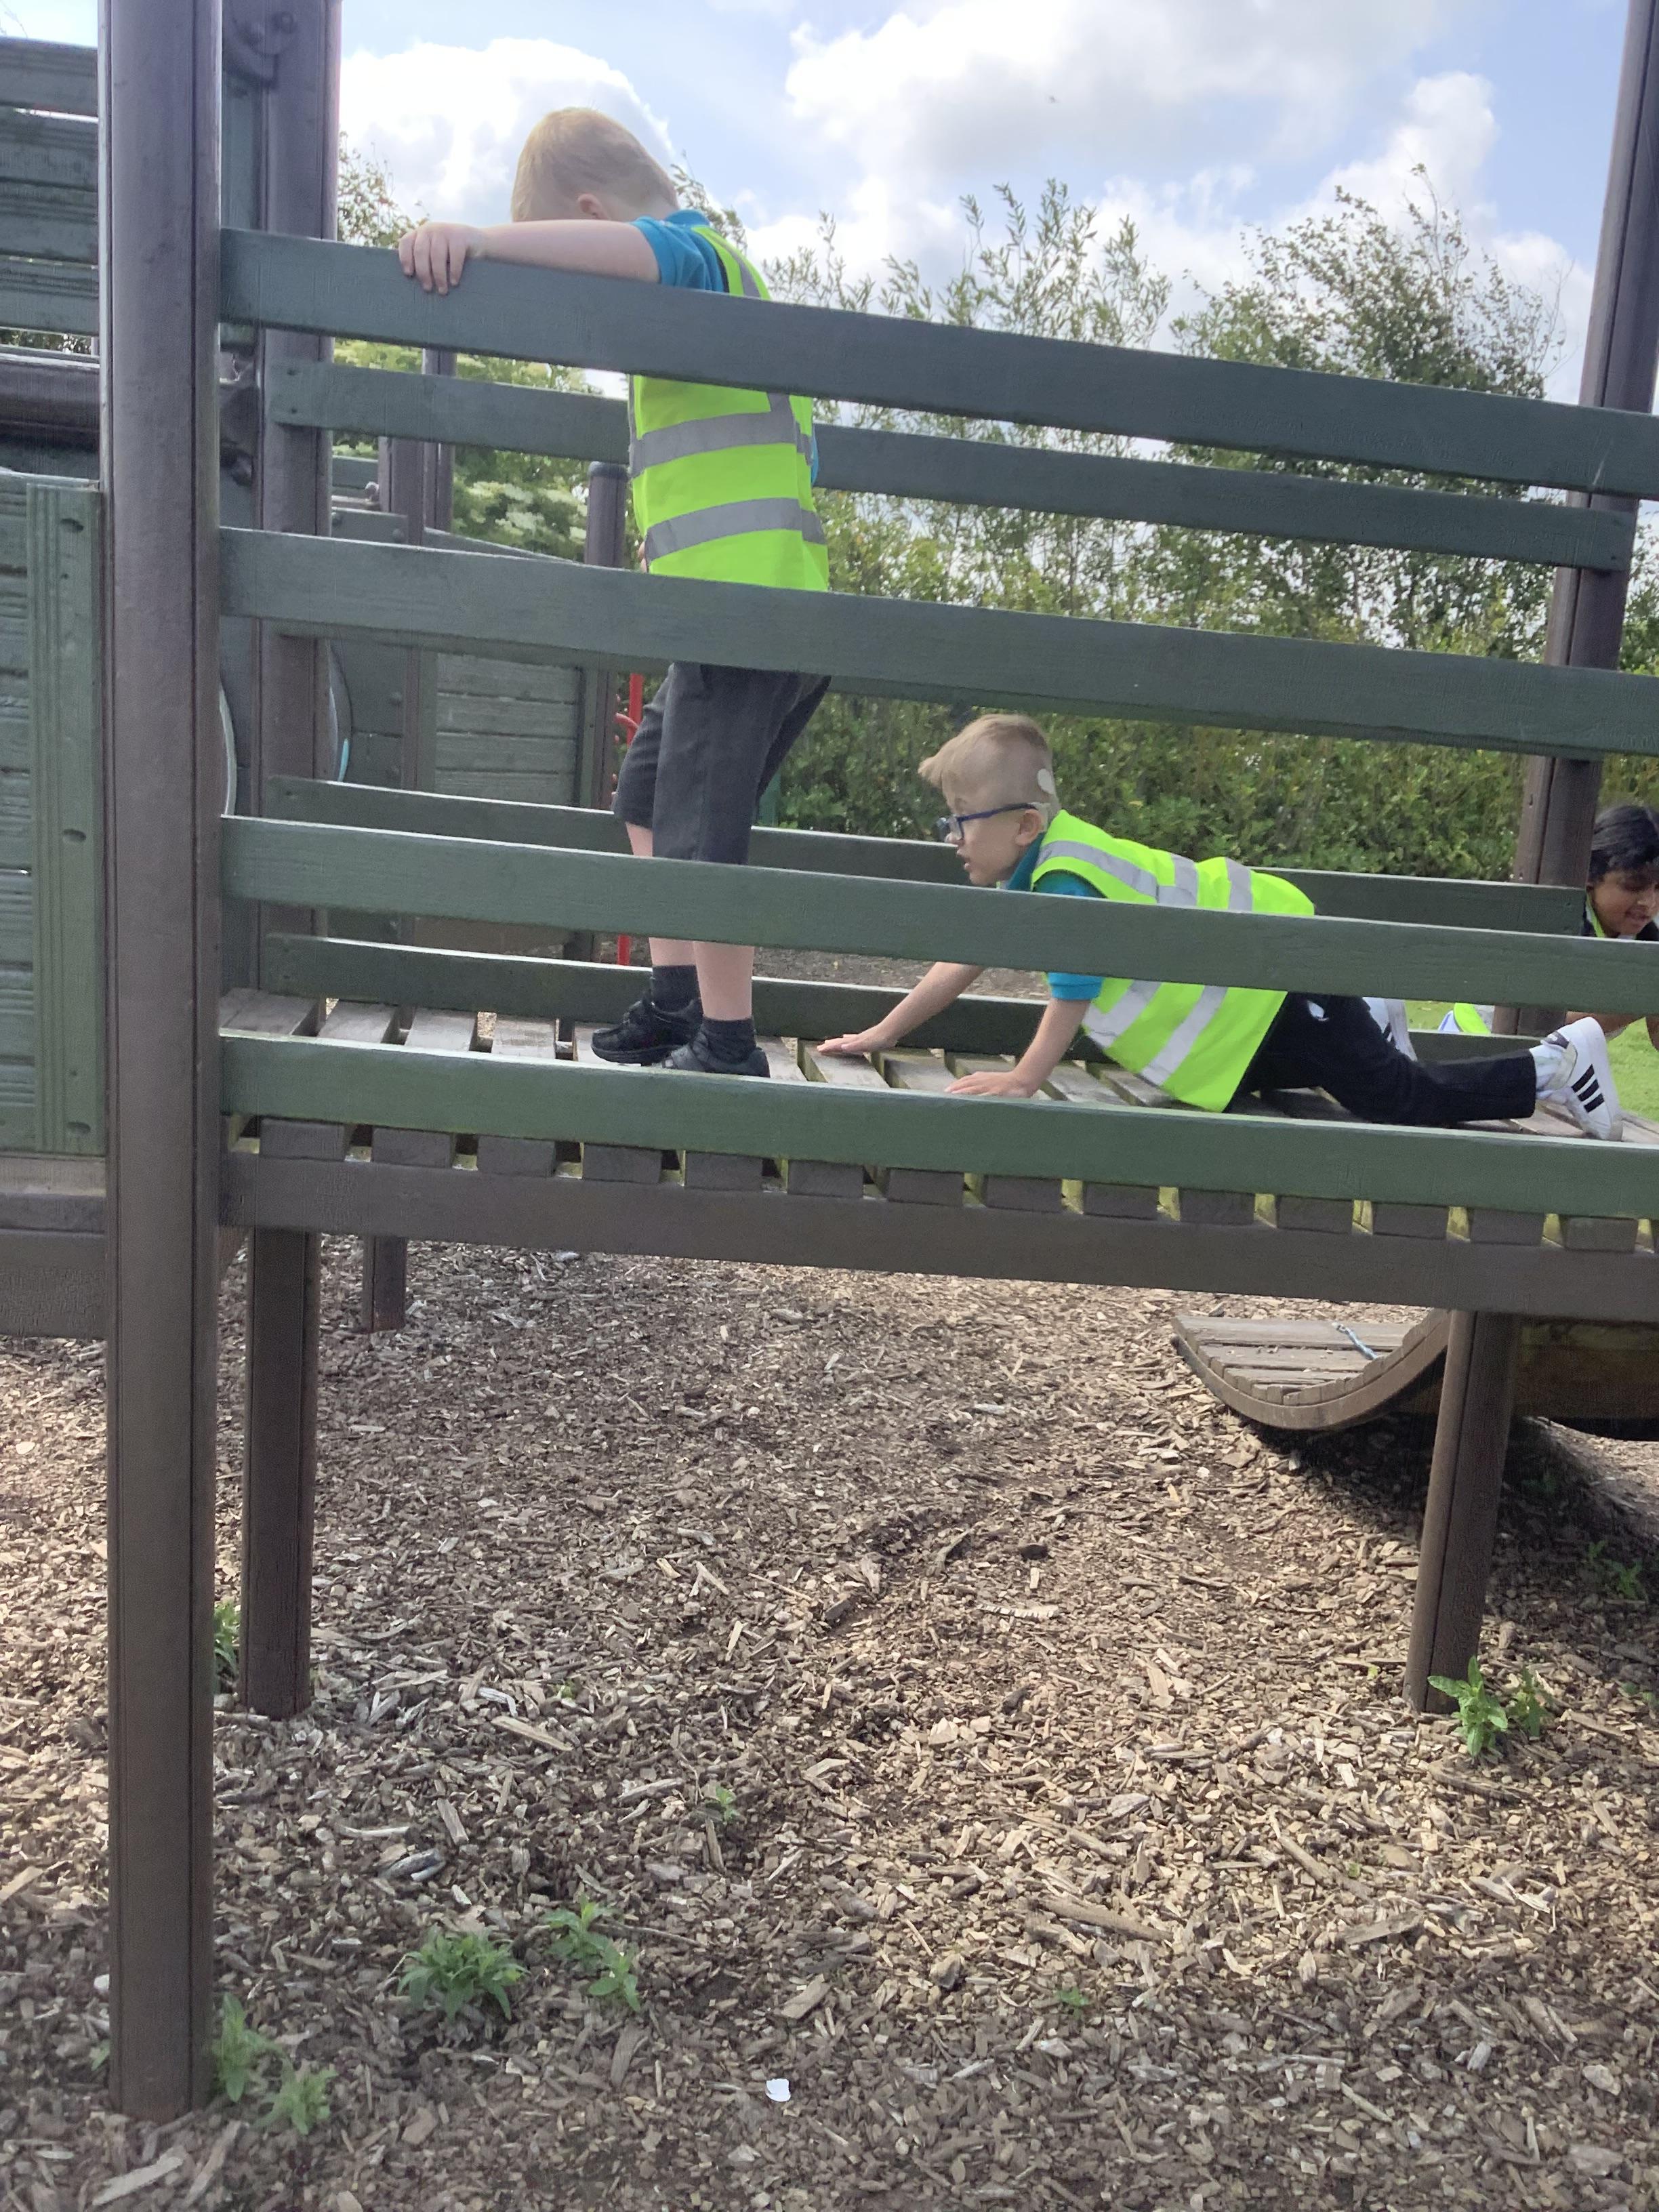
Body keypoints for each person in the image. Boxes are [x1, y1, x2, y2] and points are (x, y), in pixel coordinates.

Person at [397, 109, 828, 1079]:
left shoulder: (701, 259)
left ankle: (729, 1044)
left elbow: (642, 252)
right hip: (723, 612)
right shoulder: (712, 309)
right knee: (645, 798)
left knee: (703, 839)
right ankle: (677, 1002)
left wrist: (485, 243)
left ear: (591, 215)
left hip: (749, 612)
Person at [818, 714, 1622, 1139]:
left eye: (960, 820)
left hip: (1278, 977)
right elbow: (961, 958)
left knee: (1397, 1100)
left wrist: (1026, 1078)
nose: (952, 838)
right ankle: (1368, 1015)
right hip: (1255, 1001)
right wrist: (883, 1032)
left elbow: (1072, 988)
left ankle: (1557, 1065)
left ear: (1024, 824)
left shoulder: (1064, 877)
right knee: (1292, 1084)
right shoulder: (1040, 866)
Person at [1441, 800, 1659, 1044]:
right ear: (1590, 875)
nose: (1649, 902)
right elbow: (1548, 1026)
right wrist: (1642, 999)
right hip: (1471, 1040)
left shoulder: (1646, 936)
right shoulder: (1562, 922)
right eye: (1633, 885)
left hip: (1544, 1057)